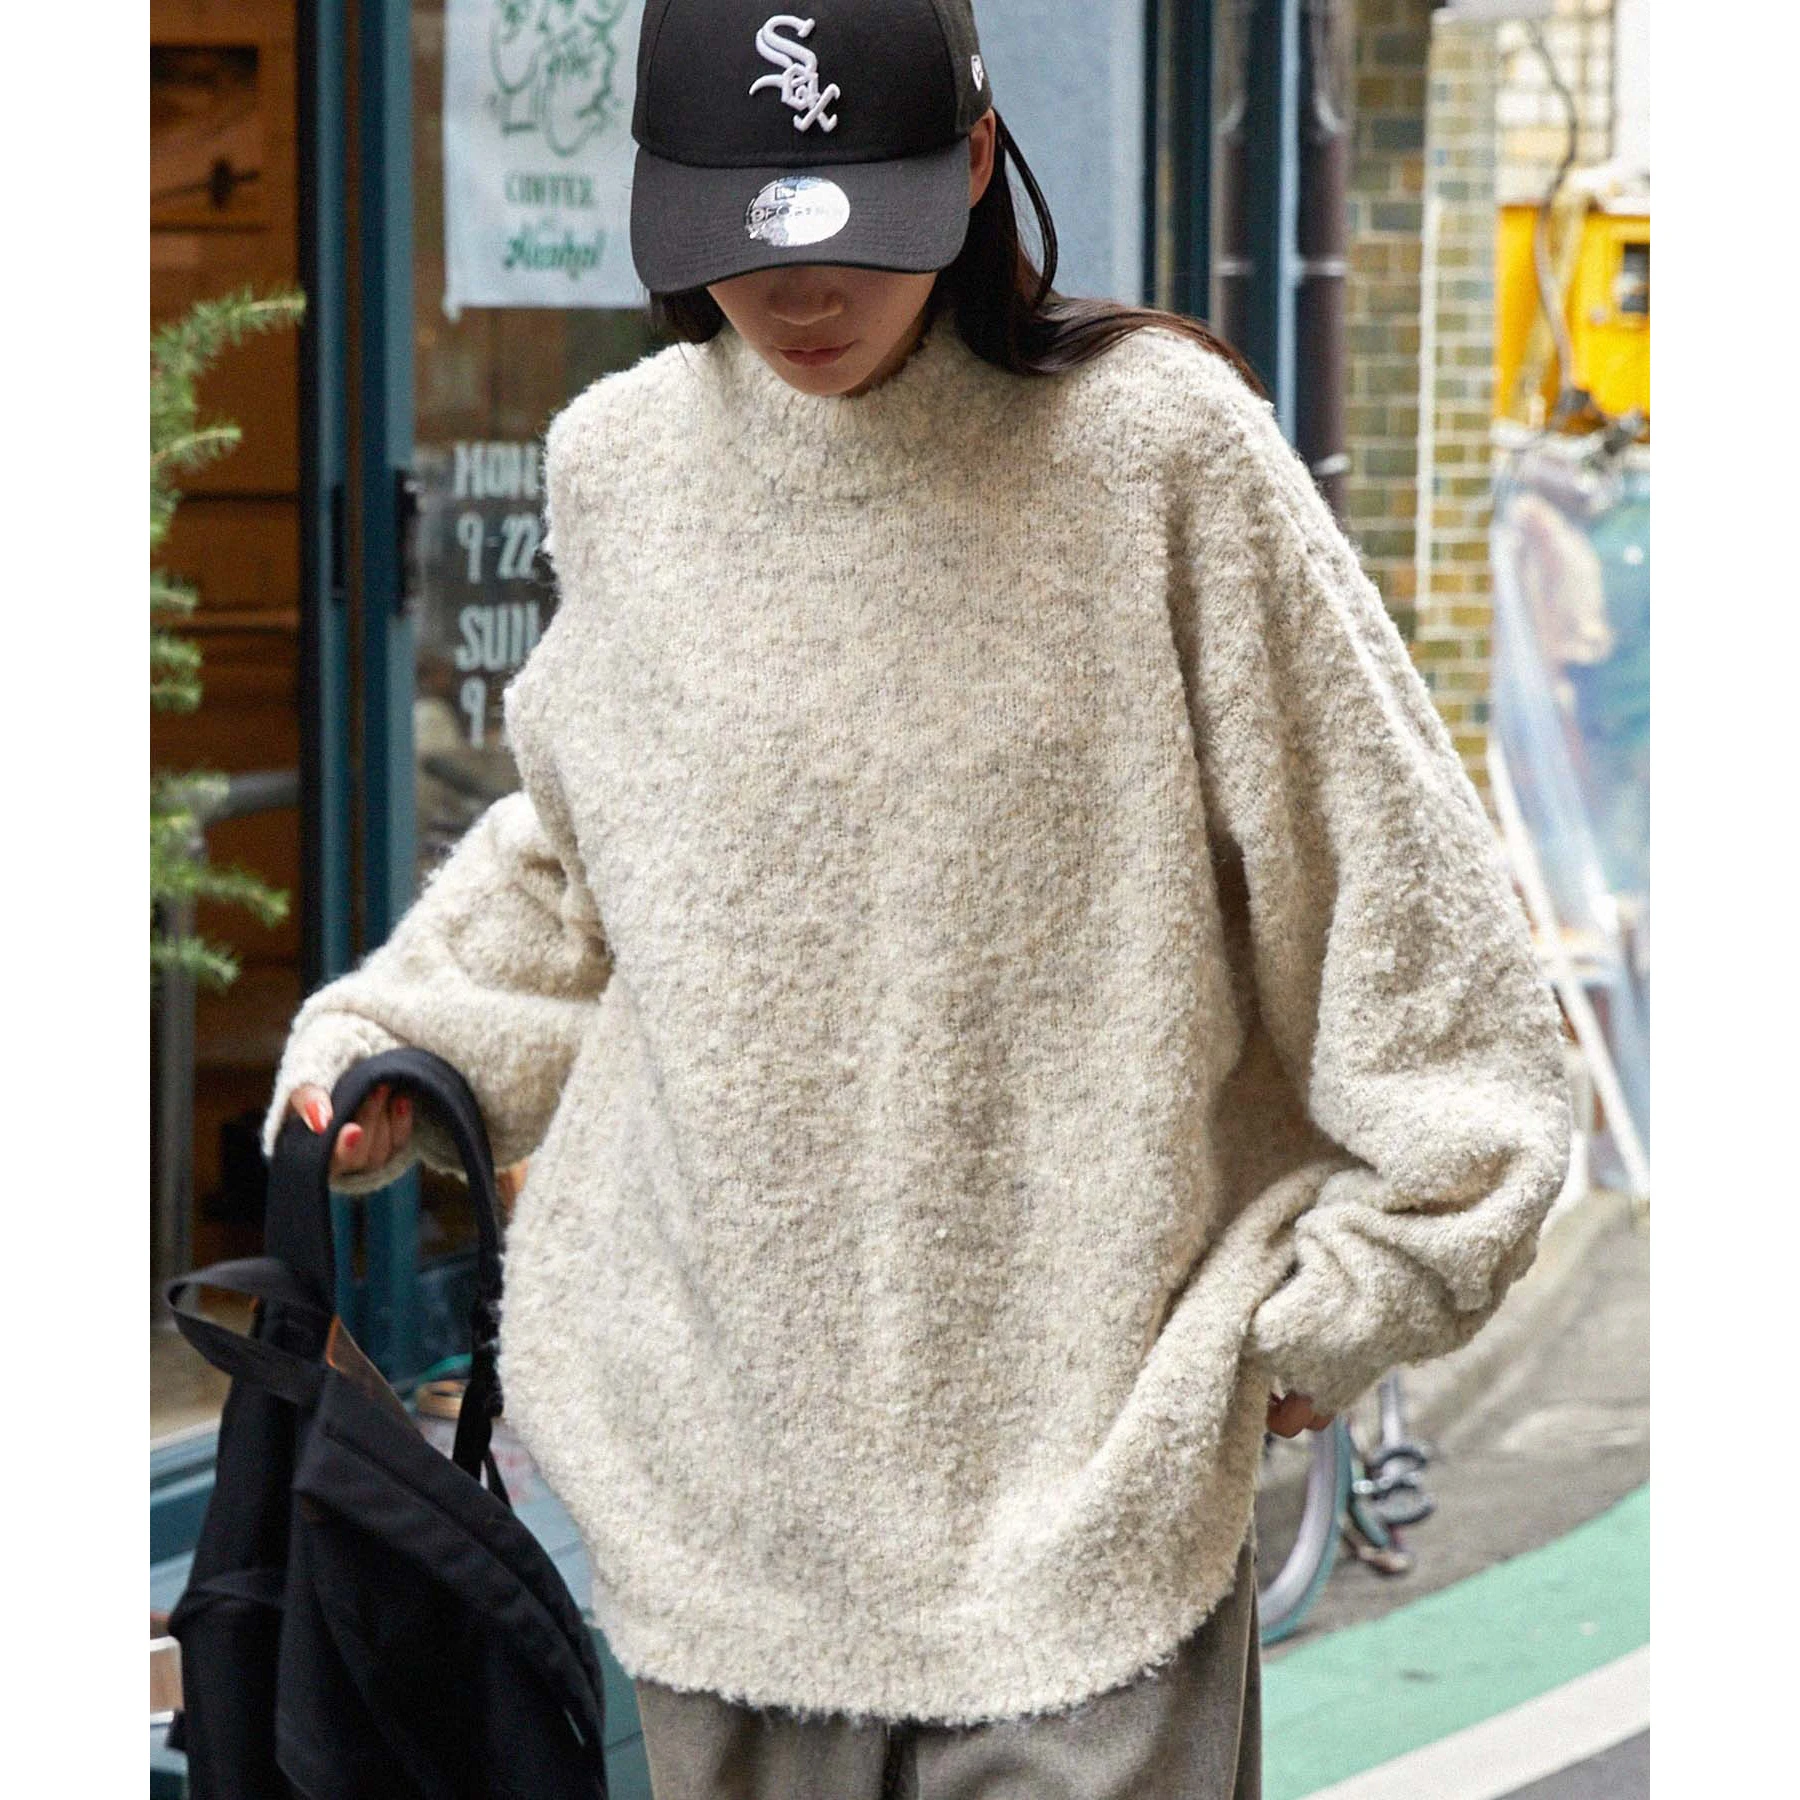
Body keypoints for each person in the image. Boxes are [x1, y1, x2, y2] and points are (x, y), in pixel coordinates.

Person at [264, 4, 1573, 1795]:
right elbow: (588, 862)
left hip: (1087, 1503)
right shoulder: (624, 466)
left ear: (971, 165)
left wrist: (1367, 1283)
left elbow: (1404, 904)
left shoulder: (1156, 454)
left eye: (856, 229)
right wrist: (401, 1043)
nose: (803, 295)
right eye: (746, 240)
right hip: (713, 1496)